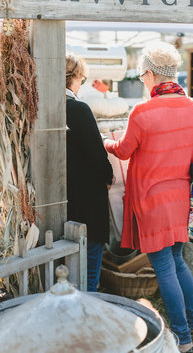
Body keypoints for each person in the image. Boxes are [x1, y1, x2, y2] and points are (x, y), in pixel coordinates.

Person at [104, 42, 193, 353]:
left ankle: (181, 337)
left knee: (164, 265)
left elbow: (123, 150)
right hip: (182, 198)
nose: (142, 81)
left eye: (141, 76)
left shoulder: (142, 111)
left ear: (149, 74)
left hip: (152, 200)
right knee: (176, 261)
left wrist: (108, 142)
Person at [66, 53, 114, 292]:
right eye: (82, 78)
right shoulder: (78, 109)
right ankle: (87, 316)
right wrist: (108, 177)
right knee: (88, 269)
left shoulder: (39, 107)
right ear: (73, 77)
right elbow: (98, 157)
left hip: (61, 205)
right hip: (86, 203)